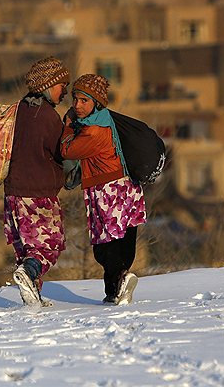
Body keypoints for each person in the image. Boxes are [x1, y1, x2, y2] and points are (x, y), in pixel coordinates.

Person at [61, 74, 146, 305]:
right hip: (126, 187)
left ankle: (120, 279)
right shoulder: (107, 120)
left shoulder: (94, 130)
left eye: (83, 101)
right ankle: (116, 289)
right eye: (75, 100)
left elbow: (68, 150)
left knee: (104, 246)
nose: (77, 106)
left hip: (107, 190)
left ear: (96, 102)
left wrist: (68, 126)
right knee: (123, 240)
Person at [3, 56, 70, 306]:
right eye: (62, 85)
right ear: (48, 85)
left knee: (26, 248)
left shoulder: (19, 110)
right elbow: (62, 152)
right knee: (49, 244)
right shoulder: (47, 117)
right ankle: (30, 275)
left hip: (13, 192)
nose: (64, 91)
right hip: (38, 192)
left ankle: (32, 296)